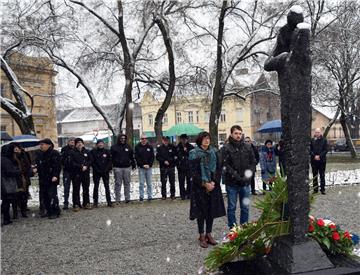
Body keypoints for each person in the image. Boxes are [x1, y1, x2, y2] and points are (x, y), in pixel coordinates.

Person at [189, 131, 226, 248]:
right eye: (204, 138)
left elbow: (219, 169)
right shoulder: (194, 153)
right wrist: (205, 184)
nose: (207, 140)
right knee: (201, 212)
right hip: (199, 187)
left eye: (208, 138)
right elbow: (193, 172)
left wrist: (214, 182)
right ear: (200, 140)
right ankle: (201, 235)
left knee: (211, 211)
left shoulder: (214, 152)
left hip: (213, 185)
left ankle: (209, 234)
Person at [222, 125, 256, 228]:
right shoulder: (226, 148)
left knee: (245, 207)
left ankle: (244, 227)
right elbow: (225, 165)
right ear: (231, 134)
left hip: (245, 183)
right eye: (236, 133)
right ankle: (233, 229)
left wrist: (247, 177)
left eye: (240, 133)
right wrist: (236, 176)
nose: (238, 135)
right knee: (232, 207)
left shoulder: (248, 147)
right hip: (232, 183)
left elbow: (253, 163)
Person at [33, 139, 61, 219]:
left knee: (52, 195)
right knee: (45, 196)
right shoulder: (41, 154)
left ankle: (55, 211)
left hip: (52, 178)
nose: (41, 146)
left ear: (49, 145)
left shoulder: (54, 153)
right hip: (43, 178)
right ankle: (48, 211)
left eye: (43, 144)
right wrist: (36, 169)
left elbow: (57, 165)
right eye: (40, 145)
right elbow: (40, 164)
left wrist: (55, 175)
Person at [111, 134, 136, 204]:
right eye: (121, 138)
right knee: (118, 184)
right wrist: (111, 167)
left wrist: (133, 164)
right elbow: (111, 158)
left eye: (124, 138)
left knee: (127, 183)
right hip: (117, 168)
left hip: (127, 168)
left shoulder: (128, 147)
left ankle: (127, 198)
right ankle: (117, 199)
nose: (123, 139)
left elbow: (131, 157)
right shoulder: (114, 147)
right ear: (119, 139)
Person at [1, 143, 21, 225]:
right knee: (6, 201)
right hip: (5, 183)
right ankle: (6, 219)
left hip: (3, 182)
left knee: (5, 201)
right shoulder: (6, 160)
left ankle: (6, 218)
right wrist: (18, 172)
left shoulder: (2, 159)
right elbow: (9, 172)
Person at [71, 138, 92, 211]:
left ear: (83, 144)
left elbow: (90, 160)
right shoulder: (72, 152)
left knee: (86, 188)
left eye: (81, 142)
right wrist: (80, 166)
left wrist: (86, 166)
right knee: (76, 189)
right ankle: (76, 204)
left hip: (85, 173)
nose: (80, 144)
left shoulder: (87, 152)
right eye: (78, 142)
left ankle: (86, 203)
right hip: (76, 173)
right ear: (76, 144)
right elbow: (72, 163)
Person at [90, 139, 112, 207]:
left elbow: (110, 161)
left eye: (101, 143)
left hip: (105, 172)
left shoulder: (107, 151)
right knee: (96, 187)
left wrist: (107, 169)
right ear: (97, 144)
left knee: (107, 186)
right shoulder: (93, 152)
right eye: (99, 143)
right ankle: (95, 202)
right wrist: (97, 169)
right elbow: (92, 162)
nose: (100, 144)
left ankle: (109, 202)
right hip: (97, 172)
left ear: (103, 144)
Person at [13, 144, 32, 218]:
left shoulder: (24, 155)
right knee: (17, 194)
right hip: (17, 178)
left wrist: (25, 170)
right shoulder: (12, 157)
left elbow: (28, 165)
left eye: (17, 149)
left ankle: (24, 208)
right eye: (15, 149)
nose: (16, 150)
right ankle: (18, 208)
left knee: (25, 193)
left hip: (24, 177)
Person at [156, 136, 177, 200]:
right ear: (162, 140)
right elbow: (157, 157)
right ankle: (164, 195)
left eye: (167, 140)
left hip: (171, 167)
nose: (166, 141)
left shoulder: (173, 147)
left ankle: (173, 195)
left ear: (168, 140)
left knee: (172, 182)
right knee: (163, 182)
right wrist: (164, 161)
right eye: (164, 140)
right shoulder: (159, 148)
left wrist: (170, 161)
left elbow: (175, 156)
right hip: (163, 167)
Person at [135, 134, 154, 202]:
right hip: (141, 168)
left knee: (149, 183)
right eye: (142, 138)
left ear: (147, 139)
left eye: (145, 138)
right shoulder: (137, 147)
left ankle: (150, 196)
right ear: (141, 139)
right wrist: (142, 165)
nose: (144, 140)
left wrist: (149, 164)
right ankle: (141, 196)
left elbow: (152, 157)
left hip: (149, 168)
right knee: (141, 183)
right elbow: (137, 157)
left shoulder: (150, 147)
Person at [310, 128, 328, 195]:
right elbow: (310, 150)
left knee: (322, 175)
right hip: (314, 161)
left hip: (322, 161)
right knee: (315, 176)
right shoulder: (312, 140)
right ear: (314, 133)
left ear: (321, 133)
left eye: (318, 132)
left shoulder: (324, 140)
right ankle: (315, 189)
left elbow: (325, 150)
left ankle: (322, 189)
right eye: (316, 132)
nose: (317, 133)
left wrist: (319, 156)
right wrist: (314, 156)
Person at [176, 134, 194, 200]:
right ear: (180, 139)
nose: (184, 140)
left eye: (185, 139)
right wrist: (178, 165)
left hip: (189, 167)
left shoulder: (190, 146)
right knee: (181, 182)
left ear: (187, 139)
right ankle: (182, 195)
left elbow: (192, 155)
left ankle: (189, 194)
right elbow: (176, 156)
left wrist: (186, 151)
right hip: (181, 168)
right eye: (182, 139)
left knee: (189, 181)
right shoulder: (178, 147)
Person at [60, 137, 75, 210]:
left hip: (75, 171)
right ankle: (66, 203)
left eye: (73, 141)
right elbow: (61, 159)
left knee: (76, 188)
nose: (72, 142)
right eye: (71, 141)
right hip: (67, 171)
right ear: (68, 142)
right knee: (66, 188)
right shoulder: (64, 149)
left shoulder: (76, 149)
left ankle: (75, 202)